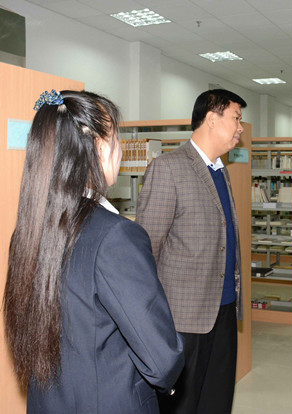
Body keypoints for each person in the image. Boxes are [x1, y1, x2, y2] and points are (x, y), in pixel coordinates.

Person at [3, 90, 184, 414]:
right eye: (117, 140)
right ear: (100, 148)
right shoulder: (116, 237)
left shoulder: (27, 232)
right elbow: (161, 360)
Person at [136, 88, 246, 414]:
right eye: (236, 118)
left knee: (217, 400)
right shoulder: (168, 169)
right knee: (183, 405)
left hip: (224, 310)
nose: (240, 128)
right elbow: (146, 251)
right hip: (183, 318)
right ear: (212, 119)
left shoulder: (221, 171)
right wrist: (153, 321)